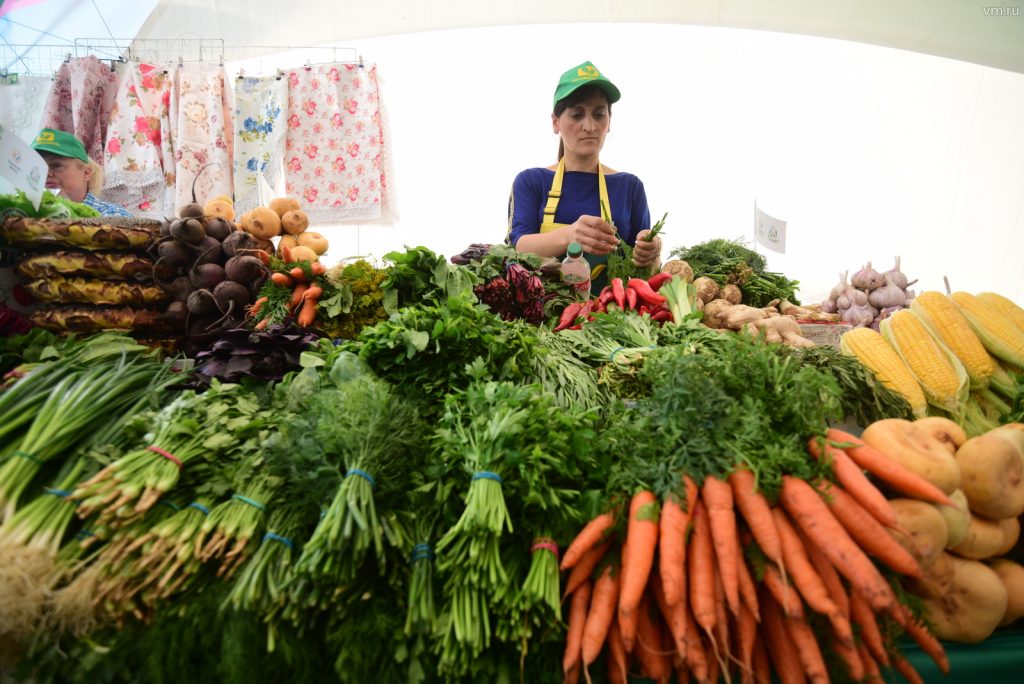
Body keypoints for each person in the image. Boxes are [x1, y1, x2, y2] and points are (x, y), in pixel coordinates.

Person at [507, 60, 661, 293]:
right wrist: (570, 234)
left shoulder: (629, 186)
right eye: (577, 114)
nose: (589, 126)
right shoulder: (531, 181)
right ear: (556, 122)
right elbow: (517, 248)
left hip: (612, 319)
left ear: (609, 122)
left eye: (599, 114)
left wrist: (651, 251)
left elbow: (645, 275)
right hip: (543, 320)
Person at [31, 128, 132, 217]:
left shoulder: (114, 217)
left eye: (56, 165)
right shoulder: (25, 213)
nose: (46, 173)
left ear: (86, 173)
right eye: (39, 167)